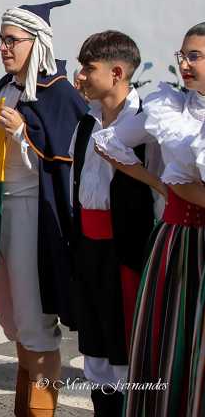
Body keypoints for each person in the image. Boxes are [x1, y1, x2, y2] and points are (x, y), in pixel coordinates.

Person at [0, 0, 87, 417]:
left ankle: (41, 411)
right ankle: (25, 408)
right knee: (14, 319)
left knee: (35, 321)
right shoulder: (4, 87)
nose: (4, 48)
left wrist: (23, 133)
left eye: (12, 40)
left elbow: (71, 161)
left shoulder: (61, 93)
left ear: (38, 42)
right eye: (0, 40)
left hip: (33, 215)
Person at [92, 22, 205, 417]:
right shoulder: (170, 108)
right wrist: (160, 183)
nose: (184, 64)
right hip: (178, 243)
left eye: (195, 56)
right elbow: (109, 142)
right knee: (174, 340)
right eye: (183, 55)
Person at [70, 30, 163, 416]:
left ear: (117, 73)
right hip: (89, 251)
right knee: (96, 351)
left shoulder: (150, 127)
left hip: (128, 252)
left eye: (88, 68)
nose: (80, 76)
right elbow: (76, 187)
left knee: (128, 350)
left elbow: (161, 195)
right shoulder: (86, 124)